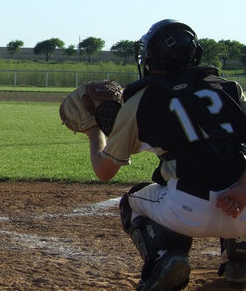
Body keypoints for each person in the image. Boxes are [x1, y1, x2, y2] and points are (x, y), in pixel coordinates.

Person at [83, 19, 246, 291]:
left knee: (132, 202)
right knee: (228, 166)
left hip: (189, 210)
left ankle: (167, 258)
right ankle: (240, 261)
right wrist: (242, 188)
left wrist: (92, 131)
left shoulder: (142, 99)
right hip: (243, 210)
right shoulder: (229, 89)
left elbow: (104, 171)